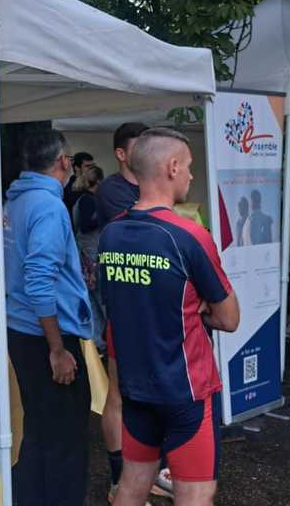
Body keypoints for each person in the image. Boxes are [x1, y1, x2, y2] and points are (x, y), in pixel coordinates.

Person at [98, 127, 239, 506]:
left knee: (132, 483)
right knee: (197, 494)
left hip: (135, 386)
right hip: (185, 389)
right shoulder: (189, 235)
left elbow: (121, 302)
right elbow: (229, 318)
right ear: (173, 167)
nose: (191, 175)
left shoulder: (111, 233)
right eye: (189, 166)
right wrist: (198, 309)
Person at [0, 129, 93, 505]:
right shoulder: (48, 207)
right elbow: (40, 279)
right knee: (65, 439)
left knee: (37, 430)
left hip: (20, 330)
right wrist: (57, 349)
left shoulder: (12, 202)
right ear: (63, 162)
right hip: (47, 336)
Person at [89, 121, 173, 503]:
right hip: (124, 301)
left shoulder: (149, 186)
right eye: (140, 147)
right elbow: (150, 231)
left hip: (156, 301)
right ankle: (118, 477)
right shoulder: (113, 191)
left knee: (154, 390)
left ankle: (149, 472)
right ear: (122, 154)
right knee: (120, 393)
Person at [73, 159, 107, 349]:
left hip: (85, 257)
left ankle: (98, 343)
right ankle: (105, 342)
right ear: (99, 182)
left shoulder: (79, 200)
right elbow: (86, 226)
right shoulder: (89, 201)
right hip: (93, 258)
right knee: (101, 301)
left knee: (93, 302)